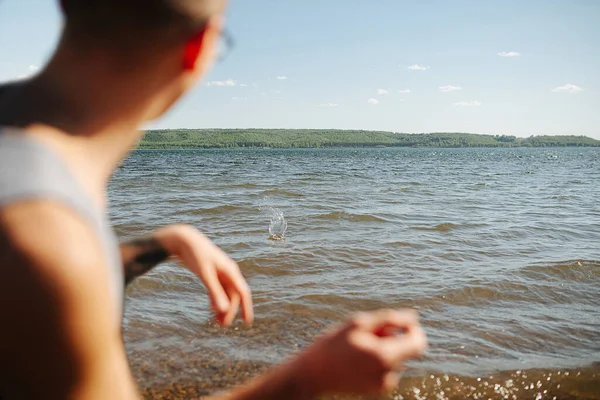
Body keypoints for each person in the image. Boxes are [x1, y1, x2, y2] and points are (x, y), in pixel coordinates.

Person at [0, 0, 428, 398]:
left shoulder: (29, 181)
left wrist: (161, 244)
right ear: (199, 46)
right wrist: (310, 375)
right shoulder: (45, 245)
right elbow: (45, 269)